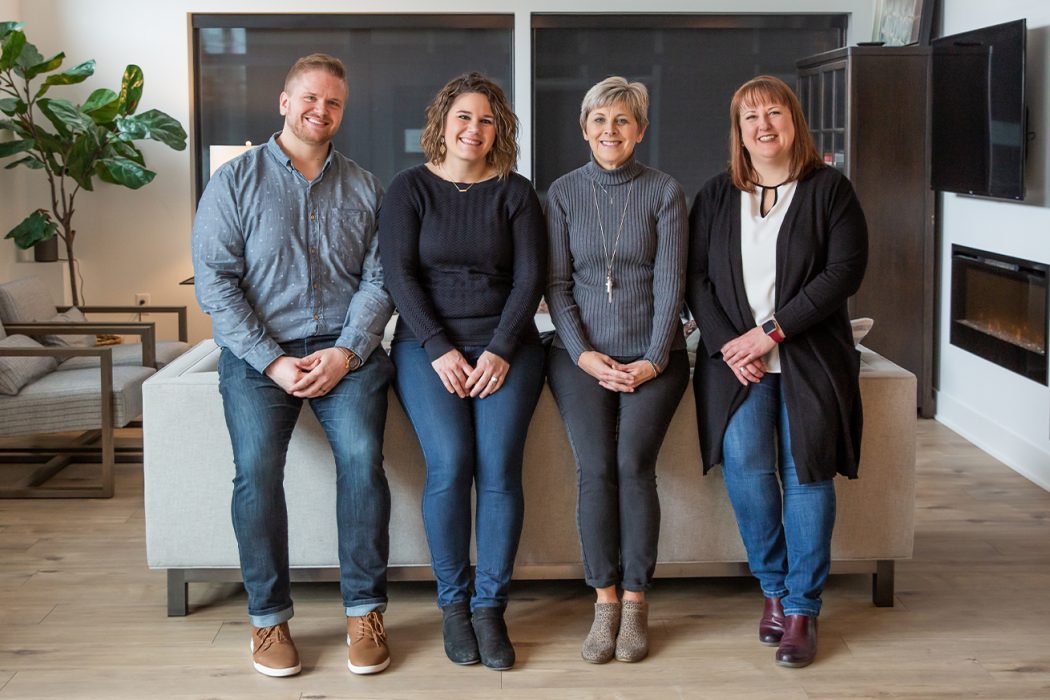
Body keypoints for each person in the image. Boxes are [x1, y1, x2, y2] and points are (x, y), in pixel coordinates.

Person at [192, 53, 395, 678]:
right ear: (284, 102)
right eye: (310, 97)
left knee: (362, 459)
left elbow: (380, 278)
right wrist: (273, 361)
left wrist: (347, 351)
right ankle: (268, 620)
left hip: (345, 352)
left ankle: (364, 611)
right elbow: (216, 282)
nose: (320, 110)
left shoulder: (365, 186)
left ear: (342, 111)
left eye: (333, 102)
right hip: (260, 355)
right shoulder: (234, 181)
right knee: (255, 471)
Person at [686, 75, 868, 668]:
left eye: (774, 113)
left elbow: (842, 273)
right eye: (750, 117)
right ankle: (772, 590)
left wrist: (769, 333)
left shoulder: (830, 190)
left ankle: (802, 609)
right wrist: (729, 346)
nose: (763, 125)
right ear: (738, 132)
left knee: (808, 473)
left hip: (810, 359)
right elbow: (696, 280)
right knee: (746, 468)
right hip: (736, 367)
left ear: (794, 122)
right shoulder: (715, 195)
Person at [378, 72, 547, 671]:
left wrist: (500, 349)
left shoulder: (515, 193)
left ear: (499, 130)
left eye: (486, 119)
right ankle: (453, 605)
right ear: (442, 123)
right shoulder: (409, 189)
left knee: (499, 470)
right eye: (464, 117)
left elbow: (530, 279)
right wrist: (439, 347)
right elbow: (399, 275)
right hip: (428, 348)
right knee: (450, 465)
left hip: (509, 347)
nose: (474, 129)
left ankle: (489, 607)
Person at [545, 76, 689, 664]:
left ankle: (635, 602)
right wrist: (584, 354)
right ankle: (604, 602)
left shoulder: (665, 191)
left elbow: (671, 283)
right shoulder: (561, 193)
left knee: (633, 464)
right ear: (585, 129)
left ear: (640, 130)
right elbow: (556, 285)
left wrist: (652, 360)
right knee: (596, 467)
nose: (611, 131)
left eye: (623, 120)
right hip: (579, 359)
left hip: (656, 358)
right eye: (600, 120)